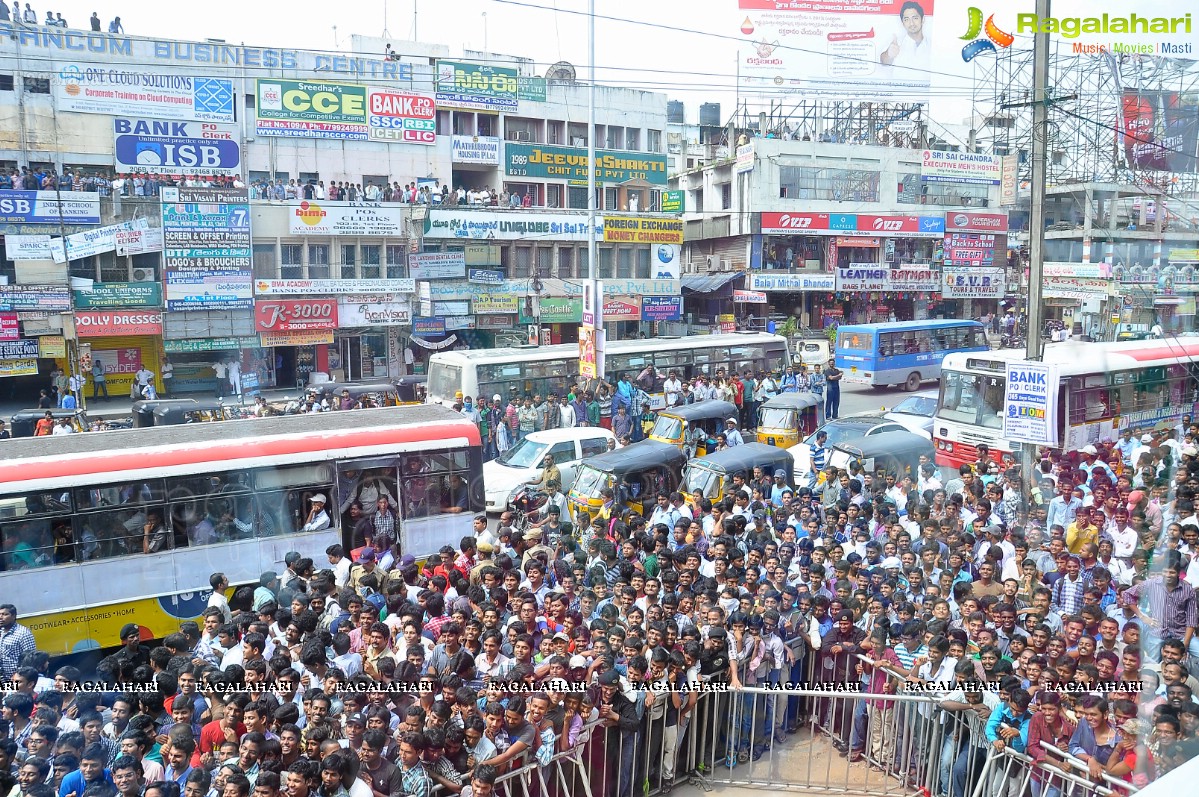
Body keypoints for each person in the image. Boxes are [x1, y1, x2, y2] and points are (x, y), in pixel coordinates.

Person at [879, 1, 930, 73]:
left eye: (915, 18)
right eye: (906, 19)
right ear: (903, 23)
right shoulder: (896, 43)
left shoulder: (932, 44)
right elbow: (884, 61)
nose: (911, 23)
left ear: (923, 19)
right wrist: (889, 55)